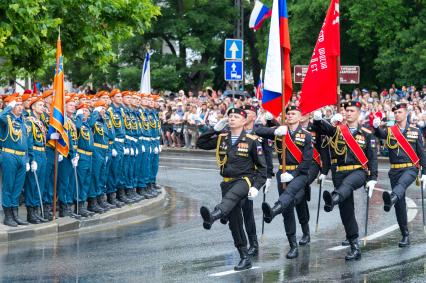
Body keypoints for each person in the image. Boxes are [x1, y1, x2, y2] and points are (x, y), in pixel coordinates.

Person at [197, 108, 267, 271]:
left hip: (244, 180)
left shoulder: (252, 140)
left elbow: (262, 169)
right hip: (227, 181)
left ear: (244, 121)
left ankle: (214, 215)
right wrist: (214, 129)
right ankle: (244, 256)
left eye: (236, 117)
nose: (232, 119)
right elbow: (200, 143)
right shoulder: (222, 138)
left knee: (231, 198)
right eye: (230, 116)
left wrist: (256, 187)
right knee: (235, 223)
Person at [313, 101, 378, 261]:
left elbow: (373, 157)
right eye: (346, 110)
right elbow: (321, 129)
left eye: (352, 110)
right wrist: (317, 120)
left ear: (358, 113)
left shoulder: (366, 133)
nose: (348, 113)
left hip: (358, 171)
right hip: (339, 173)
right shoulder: (337, 130)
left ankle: (333, 198)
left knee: (347, 186)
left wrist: (373, 178)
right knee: (346, 210)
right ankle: (354, 246)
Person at [259, 106, 313, 259]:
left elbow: (307, 161)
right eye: (287, 113)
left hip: (299, 174)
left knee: (293, 201)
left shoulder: (306, 136)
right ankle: (292, 245)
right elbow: (258, 131)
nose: (289, 116)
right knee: (288, 209)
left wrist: (294, 174)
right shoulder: (281, 131)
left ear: (300, 117)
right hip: (282, 173)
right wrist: (274, 130)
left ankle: (275, 210)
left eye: (293, 113)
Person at [372, 103, 426, 247]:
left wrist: (425, 172)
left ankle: (391, 197)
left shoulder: (415, 131)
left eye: (400, 112)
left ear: (406, 113)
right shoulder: (390, 131)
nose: (397, 114)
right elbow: (379, 134)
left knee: (402, 185)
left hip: (410, 168)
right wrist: (376, 127)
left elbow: (421, 153)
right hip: (394, 170)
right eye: (395, 112)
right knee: (399, 205)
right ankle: (405, 235)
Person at [0, 96, 30, 227]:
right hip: (9, 155)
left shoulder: (23, 121)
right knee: (9, 186)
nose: (20, 107)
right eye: (16, 105)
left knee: (18, 187)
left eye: (20, 104)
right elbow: (1, 116)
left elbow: (26, 142)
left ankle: (15, 213)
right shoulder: (7, 119)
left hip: (22, 157)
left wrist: (28, 159)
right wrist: (8, 106)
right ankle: (8, 215)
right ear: (12, 107)